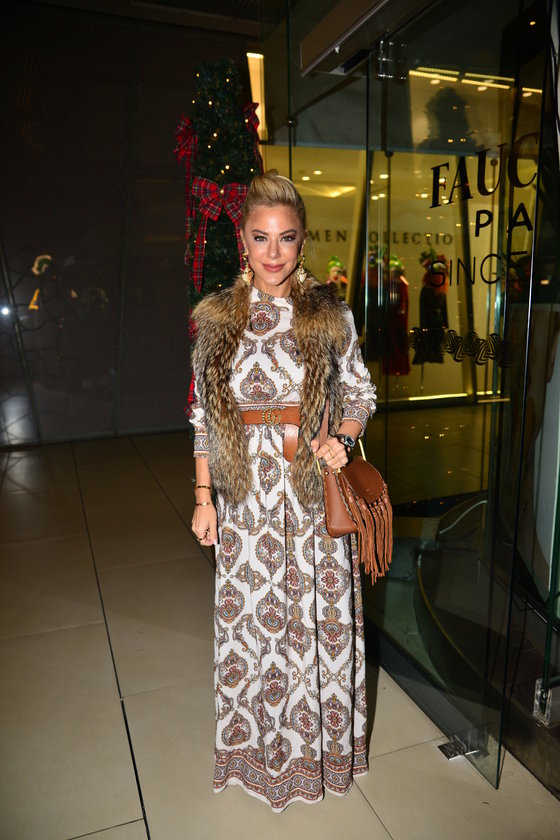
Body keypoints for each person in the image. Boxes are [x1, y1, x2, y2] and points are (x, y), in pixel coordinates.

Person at [190, 171, 377, 811]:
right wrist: (203, 497)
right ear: (242, 239)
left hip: (310, 493)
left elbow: (360, 393)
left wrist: (343, 438)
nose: (274, 253)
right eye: (261, 237)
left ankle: (318, 756)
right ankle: (257, 754)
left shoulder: (330, 314)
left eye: (287, 238)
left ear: (302, 240)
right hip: (246, 501)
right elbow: (203, 416)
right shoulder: (217, 318)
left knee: (317, 625)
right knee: (253, 626)